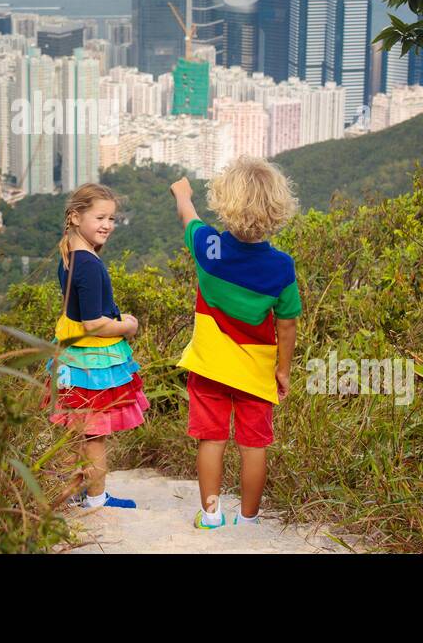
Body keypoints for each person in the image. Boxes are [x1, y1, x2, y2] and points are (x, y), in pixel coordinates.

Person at [168, 158, 301, 528]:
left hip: (209, 366)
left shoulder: (209, 247)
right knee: (253, 445)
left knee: (211, 440)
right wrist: (284, 370)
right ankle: (249, 517)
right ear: (277, 210)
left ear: (225, 204)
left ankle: (211, 514)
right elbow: (287, 324)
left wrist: (182, 193)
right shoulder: (281, 267)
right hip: (255, 373)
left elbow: (188, 217)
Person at [47, 182, 149, 509]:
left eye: (112, 218)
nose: (107, 225)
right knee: (95, 433)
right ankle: (96, 498)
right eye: (100, 217)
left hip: (72, 355)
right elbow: (94, 323)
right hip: (92, 359)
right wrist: (127, 326)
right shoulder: (89, 264)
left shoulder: (71, 255)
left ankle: (80, 491)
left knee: (80, 429)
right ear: (76, 217)